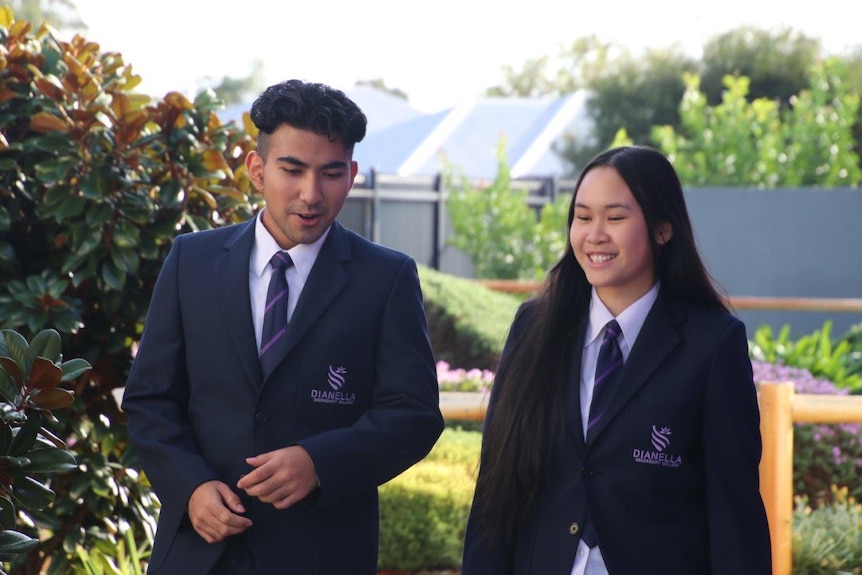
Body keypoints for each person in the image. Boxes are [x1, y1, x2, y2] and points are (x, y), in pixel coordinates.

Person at [122, 79, 444, 575]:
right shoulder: (192, 261)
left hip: (322, 553)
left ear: (352, 174)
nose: (311, 194)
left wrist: (320, 463)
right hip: (198, 553)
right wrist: (189, 488)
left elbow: (414, 415)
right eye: (292, 170)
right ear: (257, 169)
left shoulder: (386, 278)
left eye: (331, 173)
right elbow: (149, 400)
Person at [461, 145, 771, 574]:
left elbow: (733, 510)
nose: (594, 234)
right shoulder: (534, 327)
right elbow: (498, 489)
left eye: (616, 217)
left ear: (663, 228)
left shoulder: (713, 344)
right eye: (583, 217)